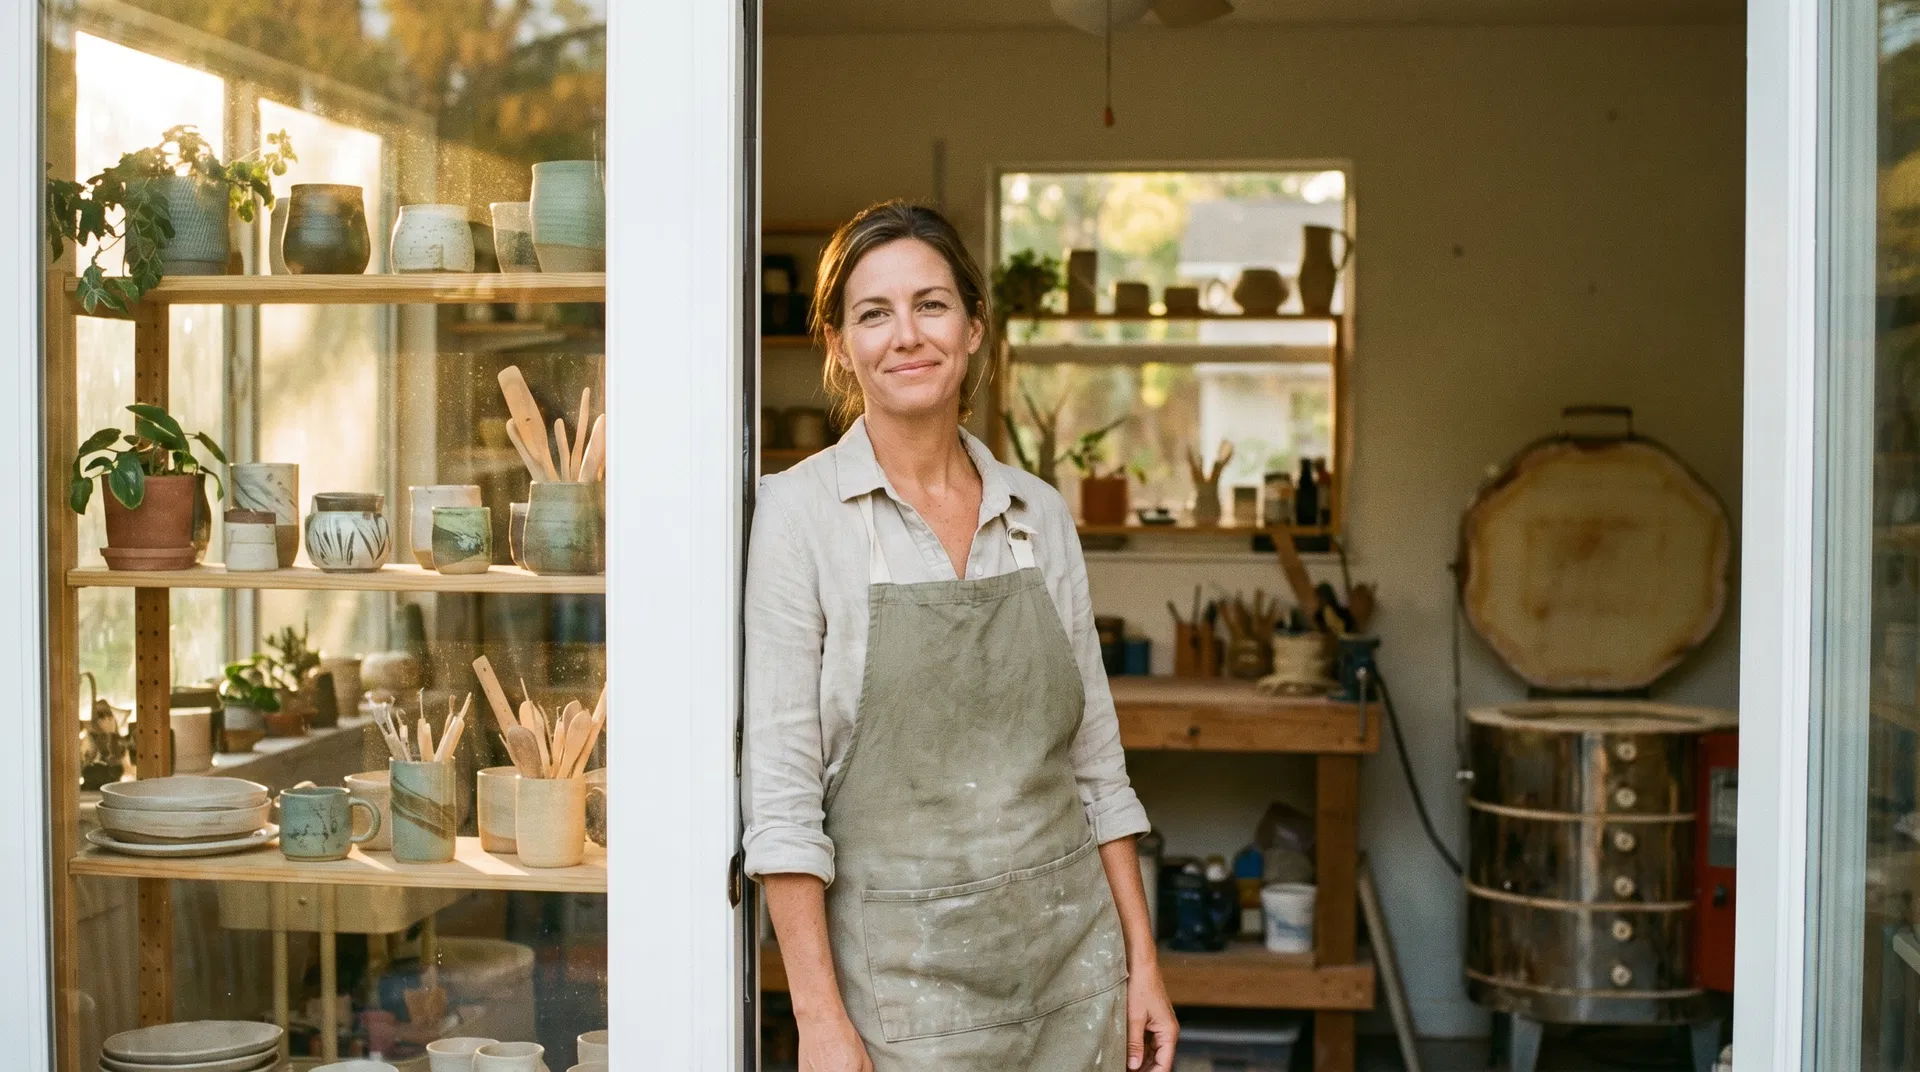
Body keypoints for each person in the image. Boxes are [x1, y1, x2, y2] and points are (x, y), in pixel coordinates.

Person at [744, 200, 1177, 1072]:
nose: (907, 335)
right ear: (837, 343)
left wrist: (1143, 966)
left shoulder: (1037, 514)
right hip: (905, 1005)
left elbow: (1097, 765)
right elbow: (783, 800)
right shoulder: (798, 515)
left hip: (1073, 981)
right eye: (874, 313)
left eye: (931, 305)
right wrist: (820, 1021)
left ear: (974, 328)